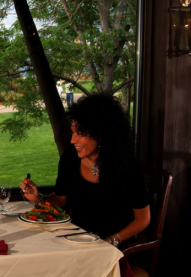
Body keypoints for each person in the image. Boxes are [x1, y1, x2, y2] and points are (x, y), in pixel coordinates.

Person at [20, 93, 150, 247]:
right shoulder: (69, 160)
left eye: (80, 134)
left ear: (101, 135)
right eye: (73, 132)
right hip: (76, 241)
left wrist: (110, 241)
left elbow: (143, 218)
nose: (72, 140)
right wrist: (38, 198)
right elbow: (61, 200)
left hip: (115, 247)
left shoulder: (127, 166)